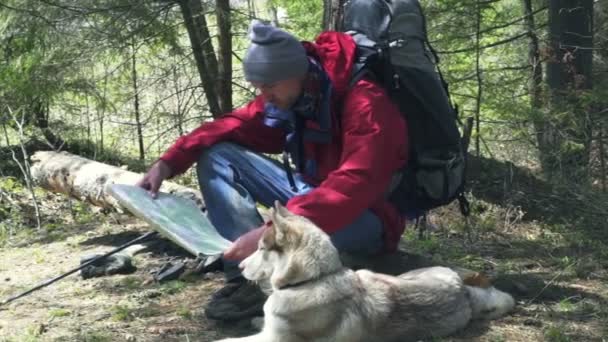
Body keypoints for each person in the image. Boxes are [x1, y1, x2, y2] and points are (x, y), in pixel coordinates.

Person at [137, 20, 409, 321]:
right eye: (259, 87)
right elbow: (233, 124)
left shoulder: (366, 103)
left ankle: (265, 272)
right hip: (316, 197)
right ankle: (251, 278)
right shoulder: (290, 95)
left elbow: (357, 182)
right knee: (217, 156)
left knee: (329, 214)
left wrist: (272, 231)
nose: (263, 95)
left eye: (268, 86)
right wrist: (168, 162)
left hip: (368, 216)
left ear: (297, 73)